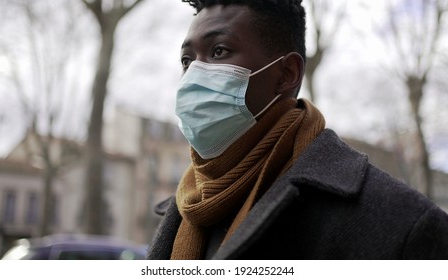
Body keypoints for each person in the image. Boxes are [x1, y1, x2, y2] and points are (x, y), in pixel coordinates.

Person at [147, 0, 448, 260]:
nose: (194, 75)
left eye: (219, 51)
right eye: (187, 60)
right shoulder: (184, 207)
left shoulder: (402, 225)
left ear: (286, 74)